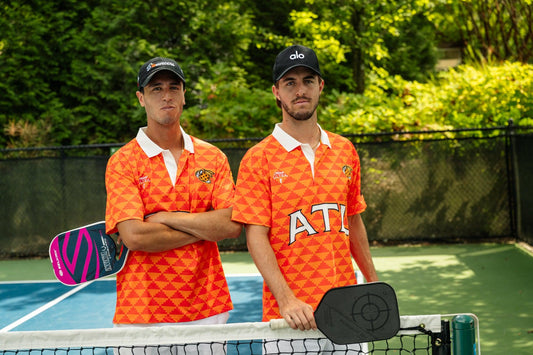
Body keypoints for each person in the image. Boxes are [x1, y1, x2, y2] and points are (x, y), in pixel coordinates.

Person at [232, 45, 378, 352]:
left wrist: (373, 282)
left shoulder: (345, 150)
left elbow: (353, 220)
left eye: (308, 81)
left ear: (320, 86)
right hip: (289, 322)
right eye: (290, 83)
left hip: (346, 312)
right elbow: (255, 236)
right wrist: (287, 300)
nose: (300, 90)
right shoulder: (258, 159)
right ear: (276, 92)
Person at [105, 57, 242, 336]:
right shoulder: (122, 162)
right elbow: (135, 237)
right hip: (141, 313)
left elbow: (231, 224)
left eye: (173, 87)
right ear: (141, 98)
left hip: (207, 309)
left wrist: (168, 218)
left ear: (183, 96)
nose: (166, 95)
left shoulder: (213, 157)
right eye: (156, 88)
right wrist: (204, 229)